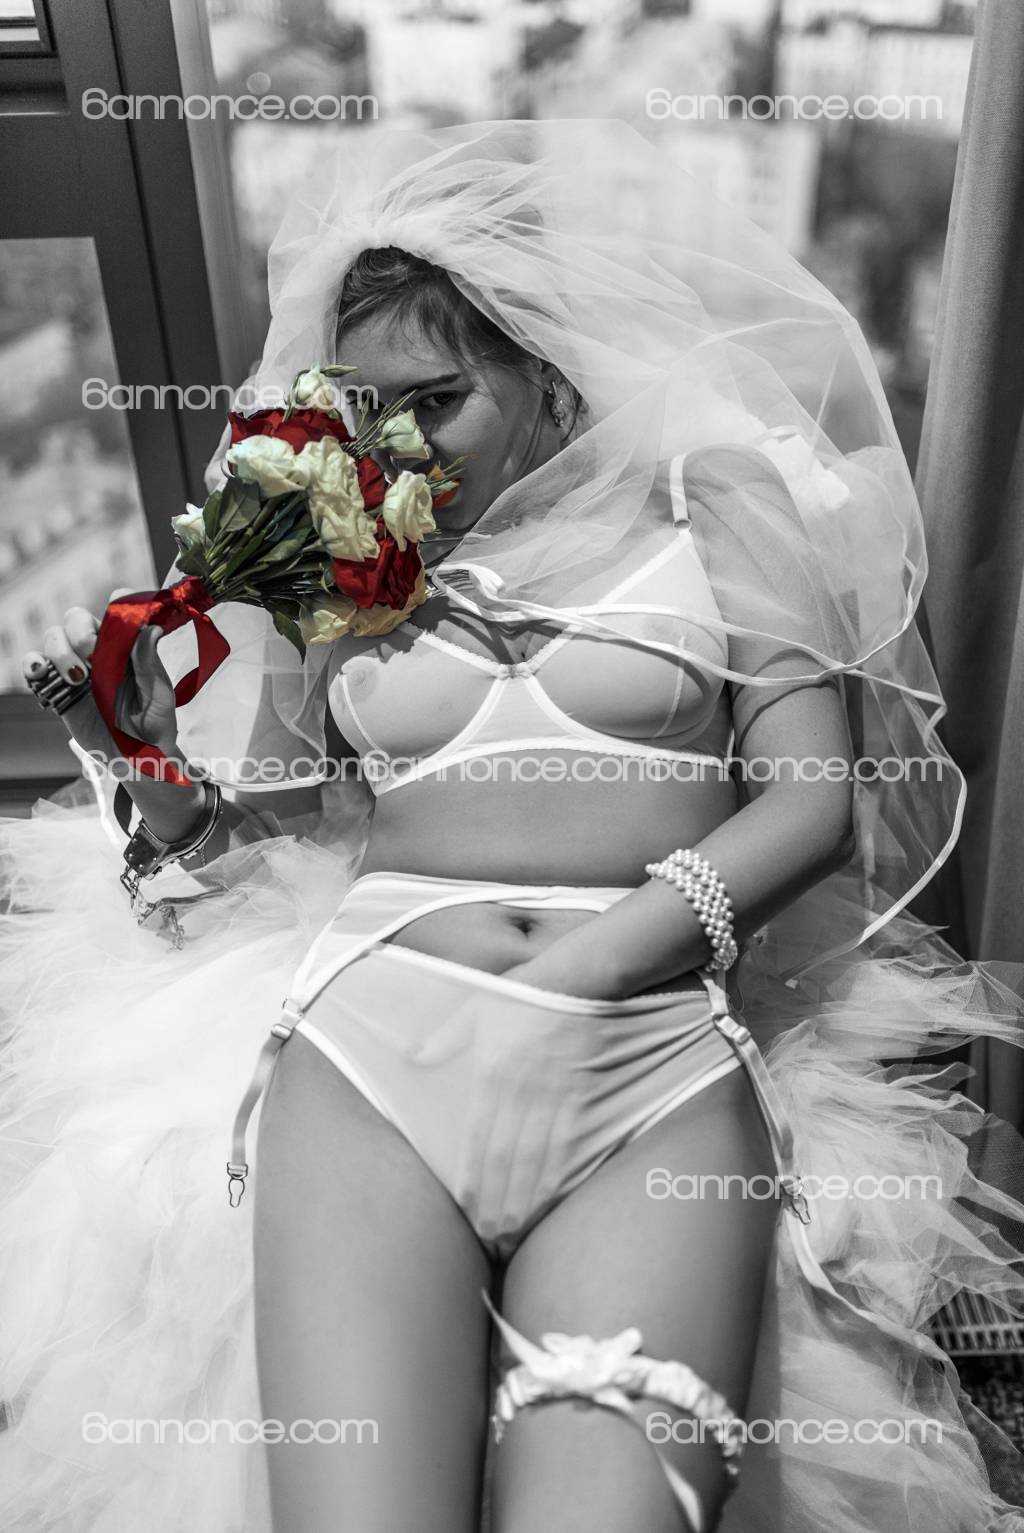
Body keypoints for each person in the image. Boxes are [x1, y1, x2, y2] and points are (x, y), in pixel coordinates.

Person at [3, 118, 1024, 1533]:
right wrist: (149, 757)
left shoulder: (715, 500)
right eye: (364, 411)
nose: (397, 449)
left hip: (645, 1059)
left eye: (437, 402)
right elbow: (262, 842)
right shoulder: (339, 564)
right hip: (374, 1059)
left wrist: (588, 973)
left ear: (547, 369)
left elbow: (813, 806)